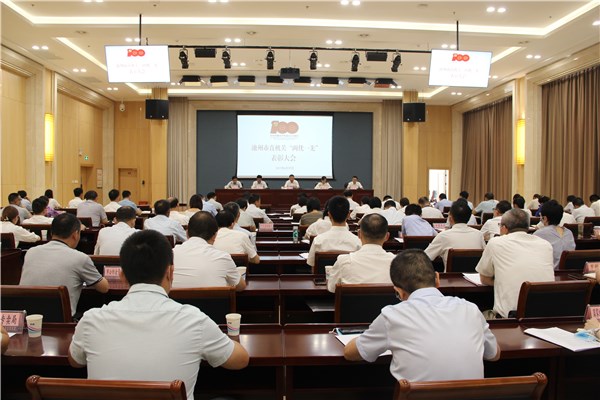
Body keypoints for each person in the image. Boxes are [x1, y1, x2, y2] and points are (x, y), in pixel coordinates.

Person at [68, 230, 249, 400]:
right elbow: (240, 360)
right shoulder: (193, 320)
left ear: (122, 276)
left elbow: (75, 361)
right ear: (170, 272)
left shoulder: (91, 319)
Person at [343, 249, 500, 381]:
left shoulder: (393, 316)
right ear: (437, 279)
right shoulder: (470, 309)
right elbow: (494, 354)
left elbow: (351, 353)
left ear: (399, 292)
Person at [20, 213, 109, 315]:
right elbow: (104, 288)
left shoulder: (31, 252)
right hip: (61, 319)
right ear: (75, 234)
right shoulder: (80, 258)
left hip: (27, 317)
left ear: (51, 232)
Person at [476, 209, 555, 318]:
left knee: (478, 315)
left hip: (511, 318)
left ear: (504, 228)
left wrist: (504, 281)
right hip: (545, 315)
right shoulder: (545, 245)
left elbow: (484, 278)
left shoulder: (495, 243)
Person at [173, 211, 246, 291]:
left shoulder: (170, 254)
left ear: (187, 233)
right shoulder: (222, 257)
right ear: (214, 236)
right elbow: (241, 286)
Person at [327, 214, 394, 293]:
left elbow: (331, 288)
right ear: (387, 236)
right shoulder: (397, 263)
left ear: (359, 234)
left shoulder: (344, 261)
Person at [424, 201, 486, 271]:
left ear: (450, 218)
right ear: (469, 218)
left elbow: (425, 257)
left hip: (450, 278)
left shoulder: (443, 236)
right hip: (475, 277)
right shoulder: (479, 235)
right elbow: (485, 257)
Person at [307, 196, 361, 267]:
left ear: (329, 215)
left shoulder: (318, 240)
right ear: (348, 215)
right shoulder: (357, 242)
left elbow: (312, 265)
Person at [534, 200, 576, 269]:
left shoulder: (539, 233)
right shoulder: (569, 232)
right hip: (568, 272)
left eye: (541, 216)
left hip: (550, 272)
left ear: (545, 218)